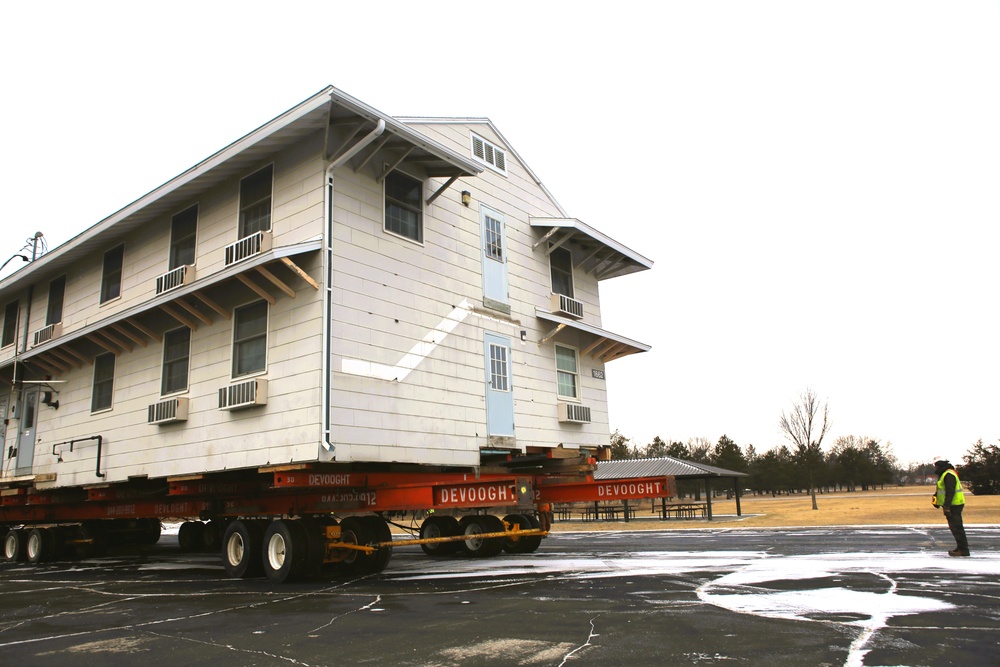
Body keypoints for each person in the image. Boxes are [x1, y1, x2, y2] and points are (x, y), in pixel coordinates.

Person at [933, 460, 970, 557]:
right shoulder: (945, 474)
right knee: (955, 527)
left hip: (954, 505)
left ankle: (963, 550)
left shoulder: (948, 475)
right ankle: (960, 548)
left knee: (957, 527)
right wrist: (937, 500)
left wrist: (947, 507)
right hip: (952, 504)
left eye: (936, 467)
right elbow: (942, 490)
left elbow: (950, 491)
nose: (935, 469)